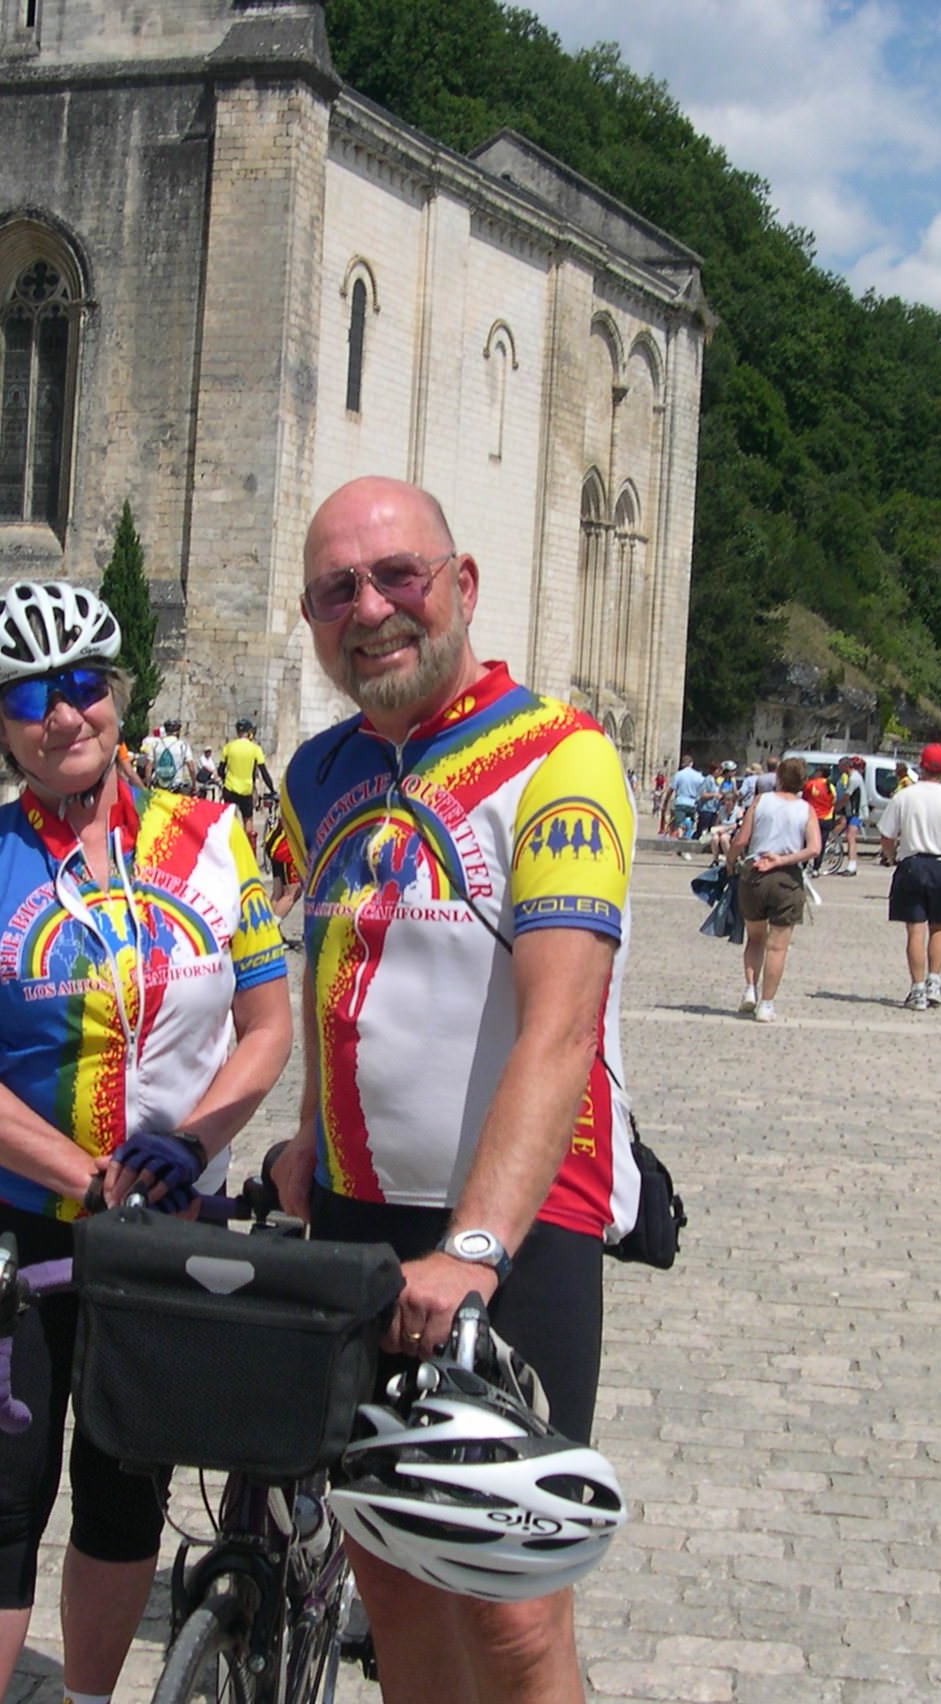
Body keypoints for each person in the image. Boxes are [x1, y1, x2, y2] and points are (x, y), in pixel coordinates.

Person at [270, 476, 635, 1704]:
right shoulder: (314, 773)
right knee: (390, 1577)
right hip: (360, 1227)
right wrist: (302, 1147)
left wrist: (475, 1247)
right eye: (336, 590)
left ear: (461, 586)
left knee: (512, 1615)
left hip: (517, 1234)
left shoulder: (560, 762)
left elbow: (557, 1028)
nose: (368, 609)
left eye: (398, 577)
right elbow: (337, 983)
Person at [0, 580, 293, 1704]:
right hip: (15, 1229)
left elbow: (266, 1029)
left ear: (120, 698)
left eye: (84, 687)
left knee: (125, 1491)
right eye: (29, 700)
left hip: (165, 1229)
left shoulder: (215, 839)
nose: (64, 717)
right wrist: (89, 1180)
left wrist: (195, 1139)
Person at [875, 742, 941, 1010]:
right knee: (939, 926)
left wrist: (892, 855)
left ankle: (917, 988)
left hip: (912, 863)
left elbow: (886, 834)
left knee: (915, 929)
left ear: (921, 765)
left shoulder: (905, 796)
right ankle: (934, 981)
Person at [728, 755, 818, 1022]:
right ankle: (766, 1004)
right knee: (777, 947)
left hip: (755, 873)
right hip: (786, 878)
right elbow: (814, 848)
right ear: (803, 782)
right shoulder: (806, 809)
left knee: (755, 937)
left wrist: (731, 862)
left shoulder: (761, 801)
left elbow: (741, 839)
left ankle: (749, 989)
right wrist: (783, 859)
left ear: (778, 777)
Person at [218, 717, 269, 829]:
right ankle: (247, 842)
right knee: (248, 818)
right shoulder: (255, 749)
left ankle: (231, 841)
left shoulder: (228, 747)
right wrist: (272, 789)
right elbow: (264, 772)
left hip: (230, 788)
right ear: (249, 732)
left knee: (230, 818)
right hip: (246, 789)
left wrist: (225, 779)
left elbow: (220, 770)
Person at [664, 754, 707, 837]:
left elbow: (671, 790)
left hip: (680, 802)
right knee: (690, 823)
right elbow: (703, 789)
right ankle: (688, 837)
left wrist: (666, 802)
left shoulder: (679, 774)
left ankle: (680, 840)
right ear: (691, 763)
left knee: (679, 824)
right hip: (692, 803)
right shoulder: (698, 776)